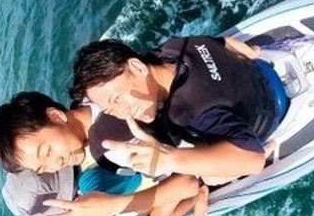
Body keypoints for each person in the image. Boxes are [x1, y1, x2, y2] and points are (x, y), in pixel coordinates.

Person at [0, 92, 209, 216]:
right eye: (43, 168)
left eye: (47, 151)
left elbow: (188, 180)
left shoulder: (109, 147)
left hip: (201, 151)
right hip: (185, 135)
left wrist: (116, 209)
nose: (55, 164)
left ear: (56, 116)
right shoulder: (92, 99)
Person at [68, 36, 285, 185]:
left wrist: (170, 159)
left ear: (137, 67)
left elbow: (253, 160)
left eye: (116, 99)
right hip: (258, 70)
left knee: (209, 178)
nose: (121, 113)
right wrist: (252, 52)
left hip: (267, 115)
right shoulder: (173, 48)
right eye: (110, 109)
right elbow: (222, 42)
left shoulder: (187, 112)